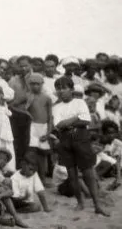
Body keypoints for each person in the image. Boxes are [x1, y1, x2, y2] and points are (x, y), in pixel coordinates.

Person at [52, 76, 109, 216]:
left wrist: (69, 122)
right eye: (58, 88)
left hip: (81, 139)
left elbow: (86, 120)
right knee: (72, 174)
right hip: (65, 141)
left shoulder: (79, 102)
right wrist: (76, 118)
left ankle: (97, 204)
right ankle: (80, 202)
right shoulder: (56, 107)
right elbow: (58, 125)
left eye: (64, 88)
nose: (61, 91)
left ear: (71, 89)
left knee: (88, 172)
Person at [26, 73, 53, 183]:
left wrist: (48, 132)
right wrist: (29, 101)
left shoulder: (47, 98)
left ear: (42, 84)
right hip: (31, 127)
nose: (35, 86)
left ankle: (42, 179)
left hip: (43, 127)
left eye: (38, 84)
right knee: (31, 155)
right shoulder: (27, 96)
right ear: (29, 84)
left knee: (42, 155)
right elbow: (24, 111)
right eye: (32, 84)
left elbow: (50, 116)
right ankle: (32, 179)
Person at [8, 55, 33, 169]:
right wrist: (14, 103)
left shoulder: (35, 78)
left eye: (26, 65)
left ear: (30, 65)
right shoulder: (13, 80)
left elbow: (33, 94)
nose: (23, 68)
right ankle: (19, 166)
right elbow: (9, 97)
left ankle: (30, 167)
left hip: (32, 114)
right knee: (18, 142)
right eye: (21, 66)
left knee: (30, 142)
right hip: (16, 114)